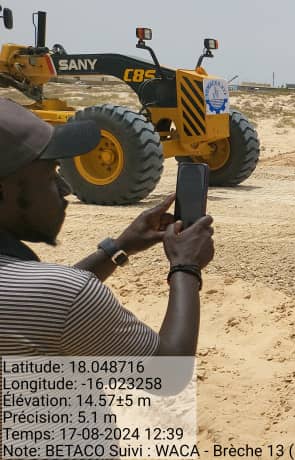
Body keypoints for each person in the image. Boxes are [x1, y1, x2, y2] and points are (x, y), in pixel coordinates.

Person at [0, 97, 215, 357]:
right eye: (49, 175)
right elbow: (170, 371)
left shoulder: (42, 294)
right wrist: (186, 266)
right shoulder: (65, 295)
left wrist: (119, 248)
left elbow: (44, 304)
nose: (65, 188)